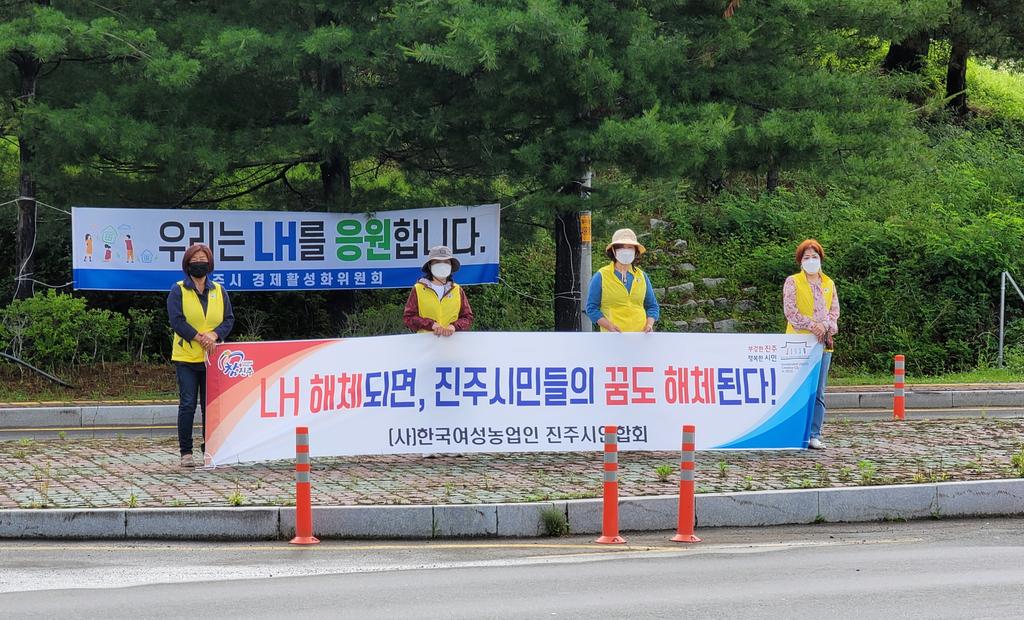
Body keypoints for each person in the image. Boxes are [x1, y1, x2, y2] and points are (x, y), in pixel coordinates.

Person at [167, 244, 234, 467]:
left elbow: (228, 319)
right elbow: (177, 321)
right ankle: (186, 452)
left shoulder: (219, 290)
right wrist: (199, 338)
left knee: (211, 406)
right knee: (188, 404)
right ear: (187, 264)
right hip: (186, 357)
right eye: (194, 259)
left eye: (202, 259)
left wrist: (214, 335)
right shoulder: (178, 290)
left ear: (210, 263)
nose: (199, 262)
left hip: (212, 359)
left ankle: (210, 449)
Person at [783, 239, 840, 450]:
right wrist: (812, 326)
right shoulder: (793, 282)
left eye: (814, 256)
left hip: (822, 344)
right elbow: (791, 312)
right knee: (796, 390)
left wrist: (825, 326)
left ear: (820, 259)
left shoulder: (829, 283)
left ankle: (814, 434)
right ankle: (794, 433)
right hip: (798, 344)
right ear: (800, 261)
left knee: (818, 392)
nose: (811, 260)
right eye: (806, 257)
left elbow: (834, 312)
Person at [585, 228, 660, 333]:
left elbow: (652, 306)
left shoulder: (642, 276)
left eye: (630, 247)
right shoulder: (601, 276)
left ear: (636, 251)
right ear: (613, 250)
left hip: (640, 337)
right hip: (612, 337)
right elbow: (591, 308)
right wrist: (609, 326)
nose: (626, 251)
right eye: (621, 247)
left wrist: (649, 325)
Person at [403, 245, 474, 336]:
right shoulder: (418, 289)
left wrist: (454, 326)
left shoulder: (457, 289)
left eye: (446, 262)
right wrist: (430, 325)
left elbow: (468, 317)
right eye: (437, 262)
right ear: (430, 266)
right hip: (425, 342)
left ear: (451, 265)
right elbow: (408, 318)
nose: (442, 265)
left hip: (453, 341)